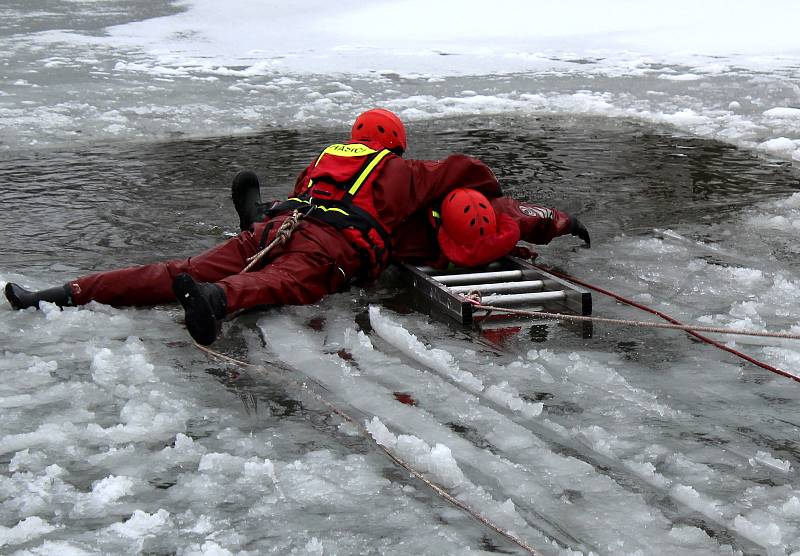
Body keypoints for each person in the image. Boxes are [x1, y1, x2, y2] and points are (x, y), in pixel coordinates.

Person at [5, 109, 504, 345]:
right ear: (395, 144)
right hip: (325, 247)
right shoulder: (404, 172)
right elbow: (466, 168)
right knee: (279, 282)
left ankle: (57, 293)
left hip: (280, 224)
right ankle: (213, 301)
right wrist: (496, 195)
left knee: (178, 267)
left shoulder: (325, 160)